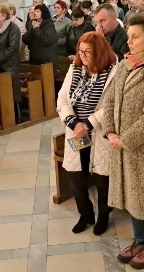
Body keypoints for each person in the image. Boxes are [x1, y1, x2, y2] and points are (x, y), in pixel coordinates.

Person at [101, 13, 144, 269]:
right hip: (119, 143)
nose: (129, 41)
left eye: (135, 37)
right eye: (128, 36)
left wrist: (125, 140)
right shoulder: (124, 65)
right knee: (131, 195)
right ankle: (139, 240)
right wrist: (109, 131)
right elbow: (109, 101)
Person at [57, 32, 118, 236]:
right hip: (77, 132)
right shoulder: (75, 68)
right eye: (80, 51)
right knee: (76, 175)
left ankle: (103, 215)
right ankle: (85, 214)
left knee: (102, 177)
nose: (82, 56)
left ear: (99, 52)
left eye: (88, 52)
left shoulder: (112, 71)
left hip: (99, 133)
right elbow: (62, 100)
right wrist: (74, 122)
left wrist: (89, 123)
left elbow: (111, 104)